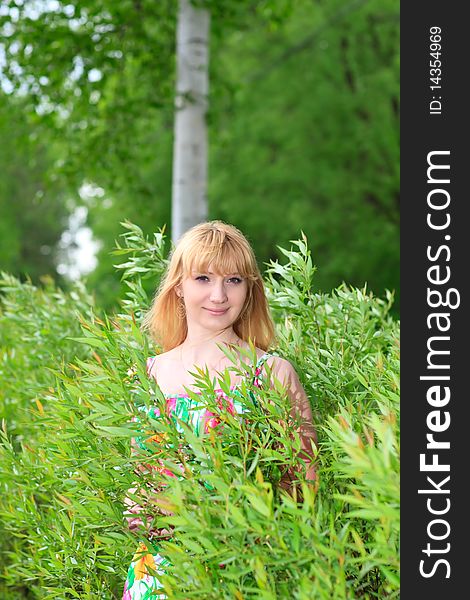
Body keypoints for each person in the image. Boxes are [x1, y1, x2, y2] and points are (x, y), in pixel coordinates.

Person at [122, 220, 316, 599]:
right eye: (203, 279)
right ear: (178, 286)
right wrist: (137, 506)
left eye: (234, 280)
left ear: (249, 290)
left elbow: (303, 486)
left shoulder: (272, 374)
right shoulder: (147, 375)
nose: (218, 295)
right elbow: (139, 473)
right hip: (159, 571)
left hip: (244, 570)